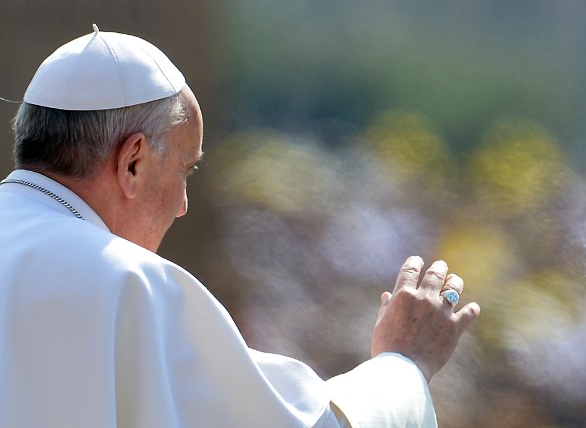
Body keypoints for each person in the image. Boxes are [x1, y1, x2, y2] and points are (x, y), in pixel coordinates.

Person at [0, 25, 479, 427]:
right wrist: (403, 365)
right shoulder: (129, 284)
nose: (184, 205)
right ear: (132, 162)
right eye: (184, 171)